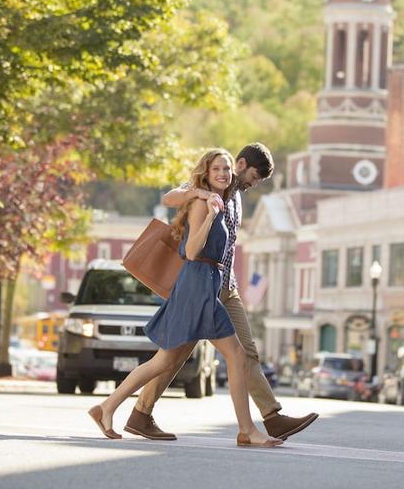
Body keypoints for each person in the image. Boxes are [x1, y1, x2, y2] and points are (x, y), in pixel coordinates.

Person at [123, 143, 319, 442]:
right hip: (199, 287)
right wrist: (197, 193)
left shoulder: (238, 197)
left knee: (244, 352)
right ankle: (138, 413)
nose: (255, 184)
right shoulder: (210, 185)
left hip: (226, 288)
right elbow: (171, 197)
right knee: (173, 355)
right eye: (255, 176)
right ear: (240, 165)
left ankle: (271, 417)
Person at [88, 148, 282, 448]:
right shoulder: (202, 202)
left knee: (169, 361)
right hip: (196, 286)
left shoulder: (220, 198)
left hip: (206, 285)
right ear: (206, 171)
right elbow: (192, 251)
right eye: (217, 169)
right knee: (215, 357)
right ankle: (247, 430)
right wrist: (208, 212)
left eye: (227, 171)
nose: (223, 175)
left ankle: (107, 408)